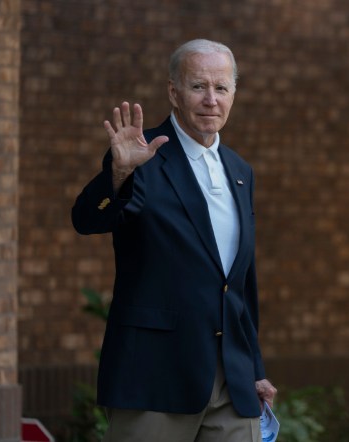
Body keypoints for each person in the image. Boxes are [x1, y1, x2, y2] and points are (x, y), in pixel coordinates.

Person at [72, 39, 276, 441]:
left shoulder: (240, 170)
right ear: (173, 92)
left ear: (234, 94)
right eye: (198, 86)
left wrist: (254, 368)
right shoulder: (141, 156)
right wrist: (118, 175)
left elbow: (239, 282)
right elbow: (86, 220)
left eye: (221, 88)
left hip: (231, 382)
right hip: (154, 374)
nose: (211, 100)